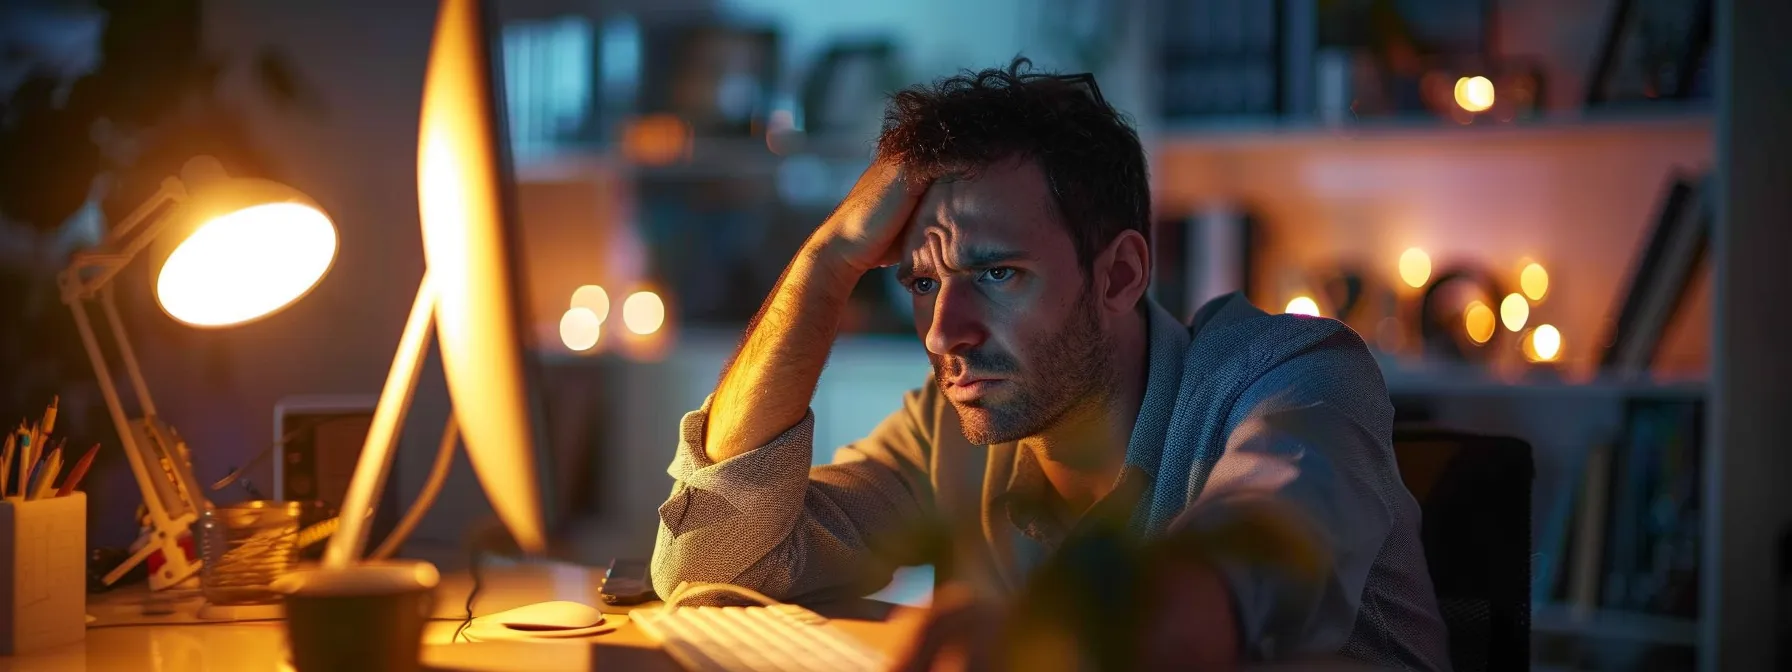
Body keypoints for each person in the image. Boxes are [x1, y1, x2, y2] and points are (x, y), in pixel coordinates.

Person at [650, 58, 1450, 670]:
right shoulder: (949, 428)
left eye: (998, 274)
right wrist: (827, 263)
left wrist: (1052, 634)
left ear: (1120, 275)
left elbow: (1230, 581)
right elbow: (711, 560)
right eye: (923, 284)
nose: (944, 334)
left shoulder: (1294, 376)